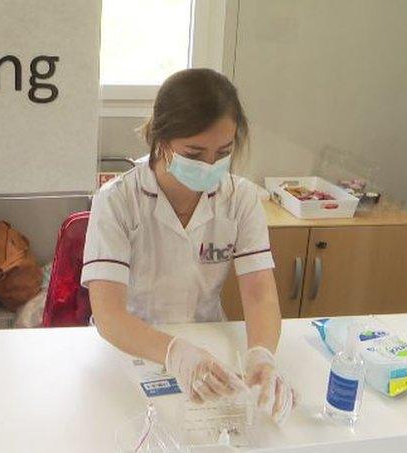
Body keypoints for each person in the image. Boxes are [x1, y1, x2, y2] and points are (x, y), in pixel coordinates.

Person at [83, 68, 297, 425]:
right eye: (194, 153)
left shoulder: (239, 198)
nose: (209, 165)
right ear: (162, 139)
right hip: (133, 345)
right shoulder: (118, 200)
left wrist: (261, 355)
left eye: (223, 152)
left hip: (209, 345)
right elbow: (109, 315)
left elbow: (259, 293)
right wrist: (174, 352)